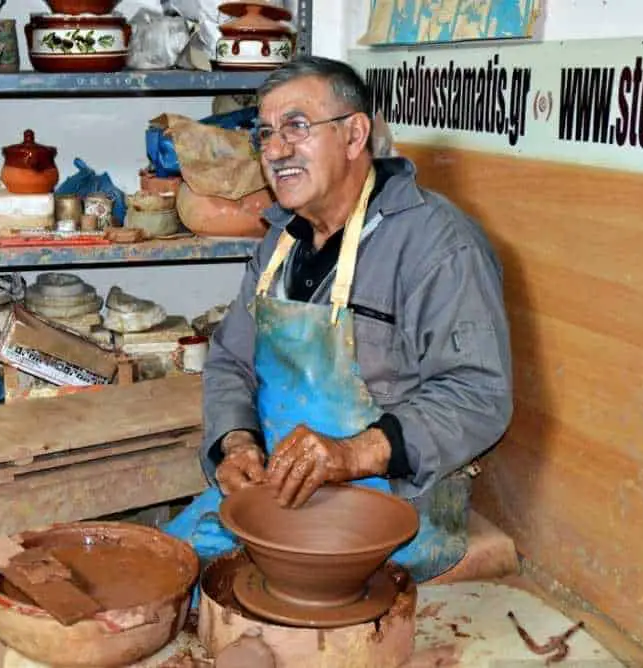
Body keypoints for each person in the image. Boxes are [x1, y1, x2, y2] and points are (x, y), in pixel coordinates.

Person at [163, 56, 514, 583]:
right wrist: (236, 443)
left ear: (354, 135)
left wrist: (353, 454)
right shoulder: (279, 243)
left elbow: (478, 394)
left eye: (297, 128)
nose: (276, 150)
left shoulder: (436, 245)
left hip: (394, 509)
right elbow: (231, 363)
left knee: (266, 608)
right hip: (278, 492)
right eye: (266, 134)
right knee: (167, 571)